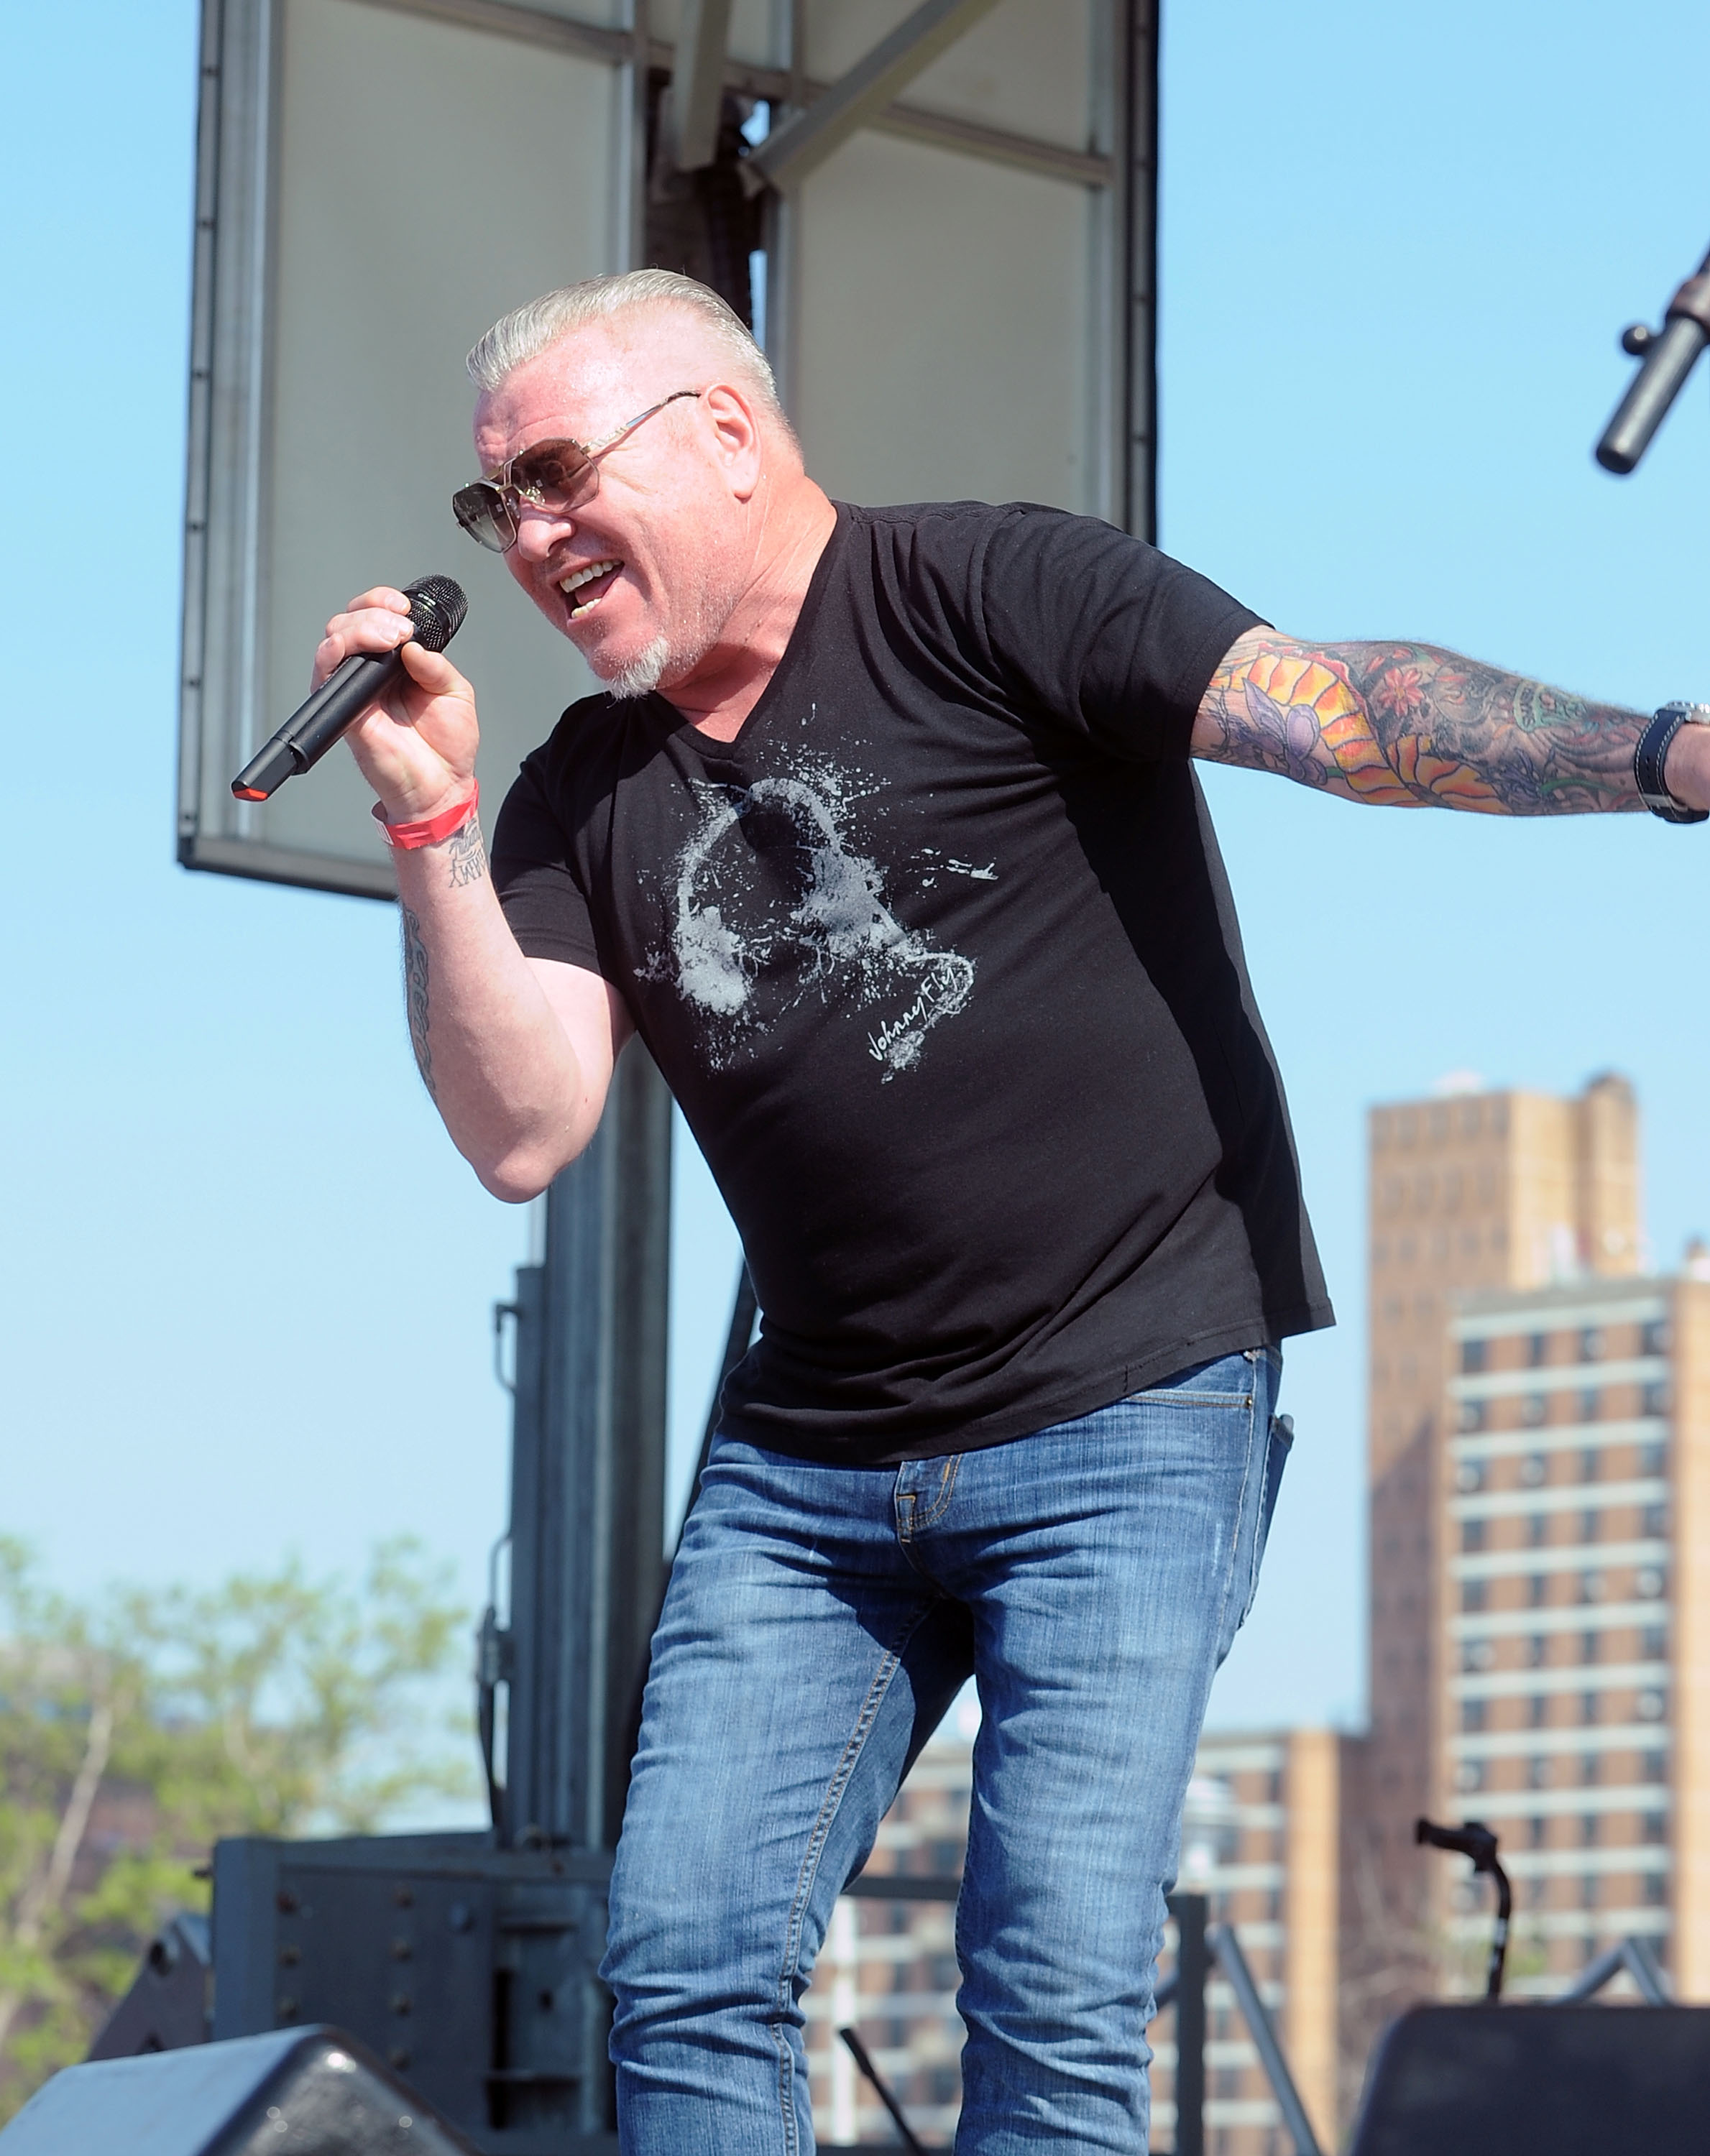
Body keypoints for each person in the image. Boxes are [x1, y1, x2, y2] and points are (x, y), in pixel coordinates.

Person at [315, 269, 1709, 2155]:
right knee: (679, 1964)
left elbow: (1342, 719)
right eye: (500, 505)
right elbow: (519, 1129)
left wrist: (1660, 756)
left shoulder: (991, 591)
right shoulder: (578, 791)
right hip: (808, 1472)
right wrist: (427, 830)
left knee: (1049, 1995)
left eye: (560, 474)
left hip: (1125, 1409)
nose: (533, 535)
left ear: (723, 435)